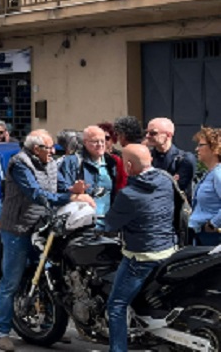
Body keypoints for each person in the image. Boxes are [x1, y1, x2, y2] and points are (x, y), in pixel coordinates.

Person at [0, 130, 93, 351]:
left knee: (48, 278)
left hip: (43, 228)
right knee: (12, 281)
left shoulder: (50, 162)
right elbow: (36, 193)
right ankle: (2, 332)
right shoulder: (20, 164)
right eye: (48, 148)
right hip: (18, 229)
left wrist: (75, 189)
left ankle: (49, 328)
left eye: (52, 148)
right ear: (35, 148)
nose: (52, 151)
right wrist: (71, 196)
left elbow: (59, 185)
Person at [104, 144, 178, 352]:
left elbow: (109, 225)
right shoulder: (165, 180)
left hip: (142, 256)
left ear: (128, 165)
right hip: (169, 249)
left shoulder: (129, 194)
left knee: (116, 306)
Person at [58, 126, 120, 222]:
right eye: (95, 141)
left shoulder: (111, 162)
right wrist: (75, 193)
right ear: (85, 142)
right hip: (83, 223)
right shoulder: (72, 161)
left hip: (107, 223)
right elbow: (62, 190)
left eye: (102, 141)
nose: (100, 145)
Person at [145, 117, 197, 196]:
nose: (147, 136)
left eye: (153, 133)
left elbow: (177, 190)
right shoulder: (147, 157)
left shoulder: (184, 159)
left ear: (168, 135)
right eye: (147, 132)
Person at [189, 127, 221, 246]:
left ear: (215, 148)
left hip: (213, 236)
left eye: (201, 145)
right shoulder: (210, 172)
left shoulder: (218, 173)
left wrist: (213, 223)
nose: (197, 149)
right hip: (204, 233)